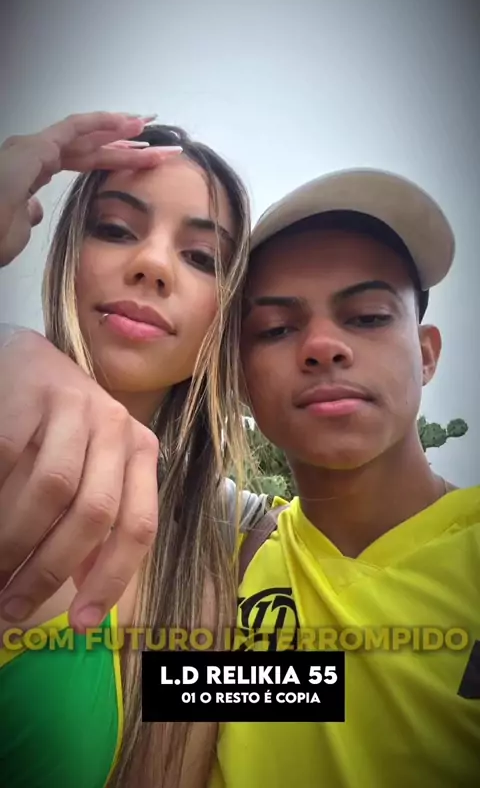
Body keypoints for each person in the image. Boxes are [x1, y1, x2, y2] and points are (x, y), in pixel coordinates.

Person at [0, 112, 267, 788]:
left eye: (202, 258)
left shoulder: (216, 566)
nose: (151, 265)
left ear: (225, 319)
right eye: (116, 228)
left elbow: (333, 692)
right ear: (68, 256)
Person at [210, 169, 480, 787]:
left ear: (427, 353)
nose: (323, 346)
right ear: (241, 381)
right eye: (276, 329)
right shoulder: (221, 560)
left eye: (367, 316)